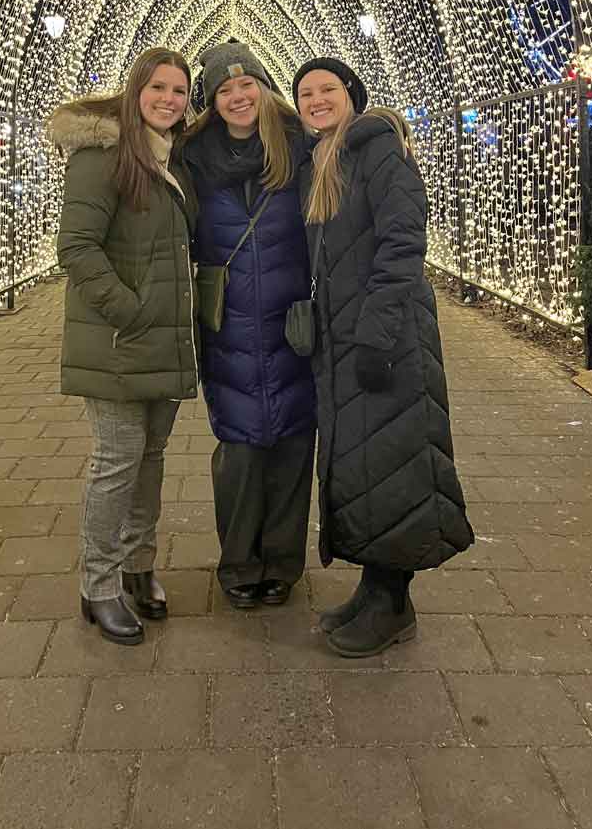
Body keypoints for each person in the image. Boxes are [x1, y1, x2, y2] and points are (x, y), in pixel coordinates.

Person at [292, 57, 473, 658]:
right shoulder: (325, 159)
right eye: (305, 93)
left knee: (397, 464)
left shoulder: (377, 151)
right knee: (366, 465)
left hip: (386, 337)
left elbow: (403, 242)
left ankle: (393, 604)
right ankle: (376, 590)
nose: (316, 100)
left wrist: (374, 334)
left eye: (327, 90)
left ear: (351, 94)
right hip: (348, 338)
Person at [49, 48, 198, 646]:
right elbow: (77, 247)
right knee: (117, 461)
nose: (168, 99)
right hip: (119, 340)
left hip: (164, 340)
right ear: (135, 90)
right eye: (158, 87)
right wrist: (129, 313)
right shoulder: (101, 156)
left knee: (151, 457)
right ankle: (99, 584)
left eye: (180, 91)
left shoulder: (169, 159)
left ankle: (139, 567)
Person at [181, 41, 316, 609]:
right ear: (211, 102)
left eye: (247, 84)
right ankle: (239, 565)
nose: (238, 96)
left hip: (293, 323)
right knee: (239, 447)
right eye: (224, 89)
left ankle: (282, 564)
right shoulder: (190, 159)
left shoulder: (300, 149)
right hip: (228, 324)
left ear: (265, 88)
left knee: (290, 442)